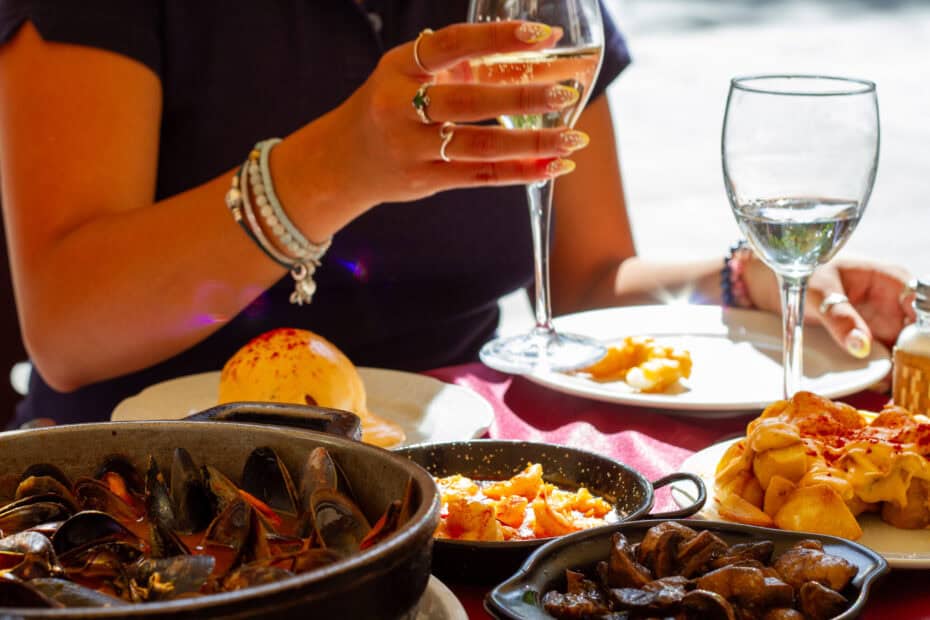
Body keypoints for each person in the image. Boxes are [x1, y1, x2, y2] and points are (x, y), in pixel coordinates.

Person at [0, 1, 914, 429]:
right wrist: (328, 172)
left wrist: (740, 277)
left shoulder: (519, 8)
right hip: (143, 500)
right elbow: (69, 332)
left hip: (455, 488)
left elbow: (594, 276)